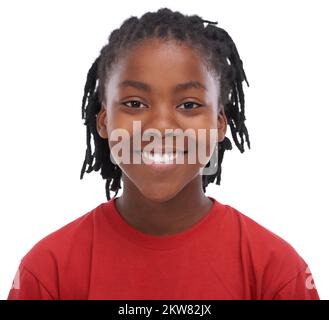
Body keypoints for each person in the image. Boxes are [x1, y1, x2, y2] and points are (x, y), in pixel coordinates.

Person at [7, 8, 320, 300]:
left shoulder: (276, 271)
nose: (160, 126)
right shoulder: (49, 271)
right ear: (104, 121)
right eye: (134, 104)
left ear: (219, 124)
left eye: (188, 105)